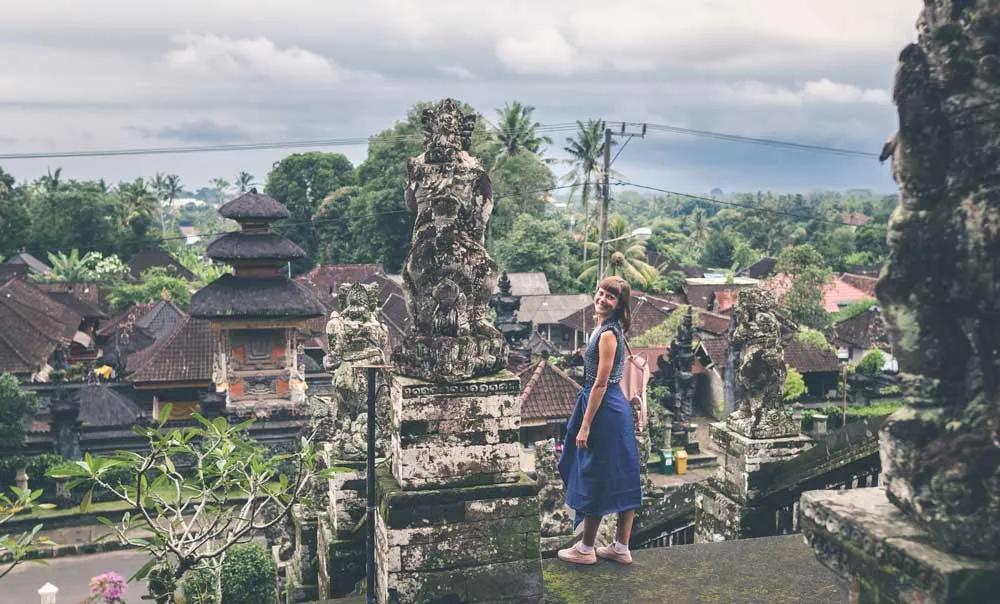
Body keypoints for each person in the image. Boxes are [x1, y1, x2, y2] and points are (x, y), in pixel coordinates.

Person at [557, 276, 642, 565]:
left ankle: (585, 549)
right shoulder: (606, 329)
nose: (603, 299)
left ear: (619, 305)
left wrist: (585, 424)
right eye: (601, 292)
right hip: (611, 408)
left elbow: (600, 383)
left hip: (604, 408)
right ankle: (621, 546)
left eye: (611, 296)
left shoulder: (607, 334)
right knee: (622, 472)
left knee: (595, 472)